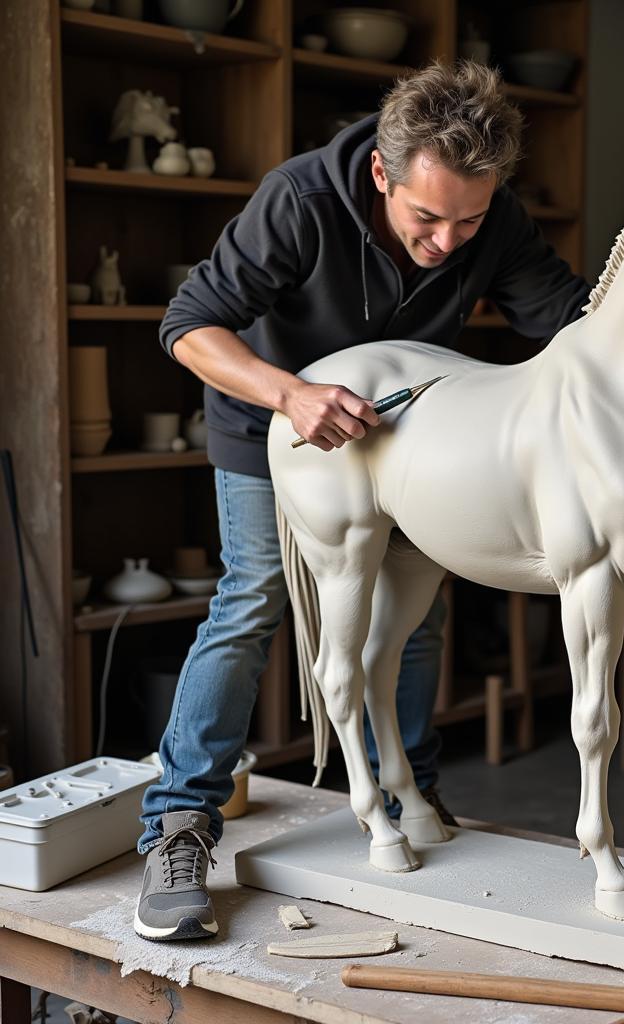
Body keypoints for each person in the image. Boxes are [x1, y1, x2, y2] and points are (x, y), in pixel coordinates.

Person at [133, 60, 592, 941]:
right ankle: (178, 825)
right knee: (255, 597)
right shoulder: (299, 199)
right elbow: (188, 326)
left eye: (471, 219)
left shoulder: (487, 222)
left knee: (415, 616)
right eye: (428, 218)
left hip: (400, 443)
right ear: (383, 174)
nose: (451, 242)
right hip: (277, 423)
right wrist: (289, 394)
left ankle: (406, 784)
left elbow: (574, 325)